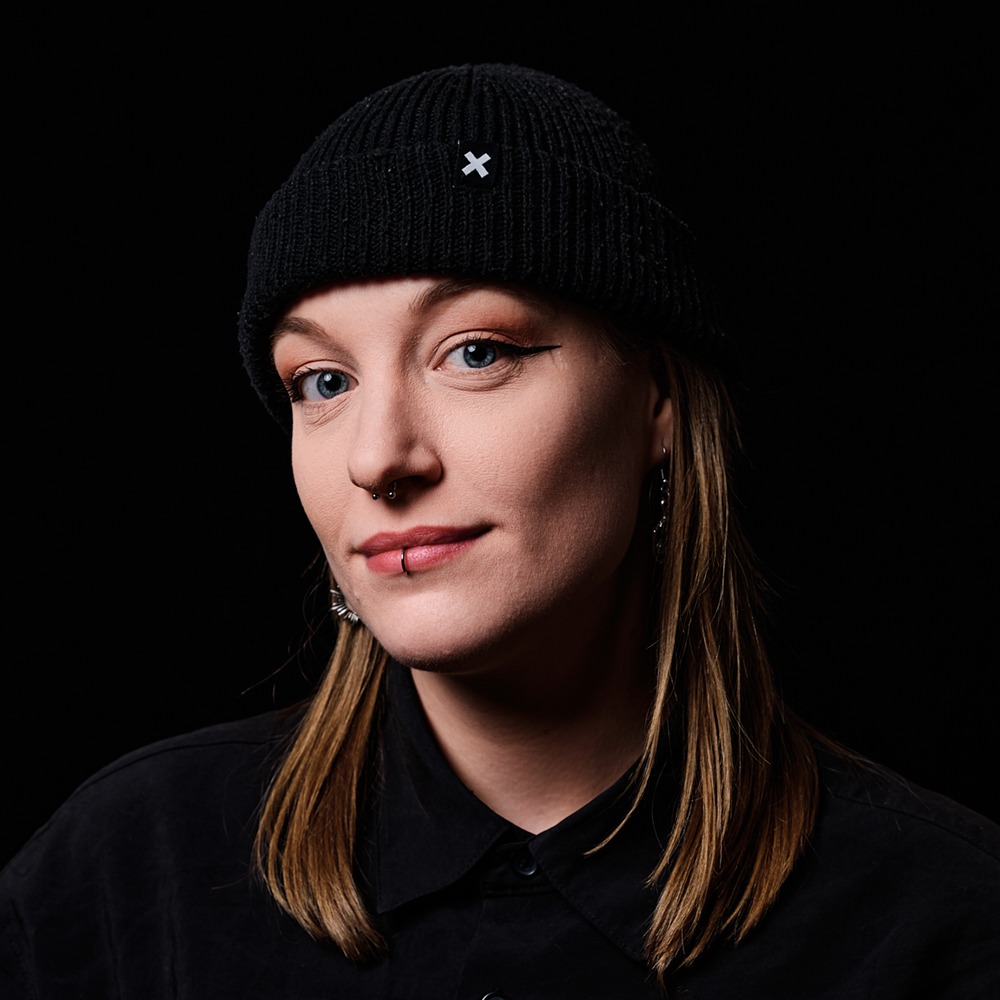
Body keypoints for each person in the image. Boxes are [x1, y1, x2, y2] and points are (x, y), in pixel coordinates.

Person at [2, 63, 997, 999]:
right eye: (324, 381)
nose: (377, 458)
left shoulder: (939, 918)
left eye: (474, 352)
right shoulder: (124, 877)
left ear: (655, 400)